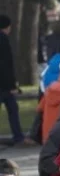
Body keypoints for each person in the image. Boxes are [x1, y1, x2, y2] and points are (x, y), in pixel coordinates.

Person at [0, 15, 25, 146]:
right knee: (13, 110)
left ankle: (18, 136)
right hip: (4, 85)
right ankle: (18, 137)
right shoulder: (4, 40)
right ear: (7, 27)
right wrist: (12, 84)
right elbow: (6, 65)